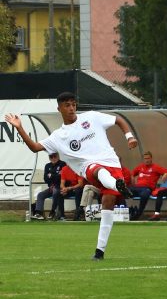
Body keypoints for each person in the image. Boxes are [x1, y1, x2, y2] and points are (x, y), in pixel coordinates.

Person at [4, 91, 137, 261]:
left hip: (112, 164)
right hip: (90, 168)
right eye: (67, 105)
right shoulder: (58, 136)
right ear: (59, 108)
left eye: (73, 104)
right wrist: (19, 127)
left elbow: (118, 120)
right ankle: (117, 185)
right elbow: (35, 147)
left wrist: (130, 137)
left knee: (107, 204)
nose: (71, 108)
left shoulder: (91, 117)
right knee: (95, 168)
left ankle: (99, 252)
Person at [129, 151, 167, 220]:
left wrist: (166, 174)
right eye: (145, 158)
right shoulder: (140, 167)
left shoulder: (156, 167)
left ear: (151, 158)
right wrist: (132, 177)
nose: (147, 160)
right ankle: (124, 211)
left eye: (148, 158)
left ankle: (139, 213)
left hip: (147, 188)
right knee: (124, 190)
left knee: (144, 194)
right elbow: (132, 173)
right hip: (137, 188)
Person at [31, 153, 66, 220]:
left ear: (58, 156)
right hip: (51, 187)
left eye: (54, 156)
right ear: (49, 157)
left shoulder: (62, 164)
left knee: (55, 192)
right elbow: (45, 179)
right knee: (40, 195)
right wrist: (51, 183)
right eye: (51, 157)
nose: (53, 158)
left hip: (60, 187)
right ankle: (39, 213)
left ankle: (53, 212)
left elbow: (60, 177)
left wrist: (51, 175)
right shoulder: (47, 165)